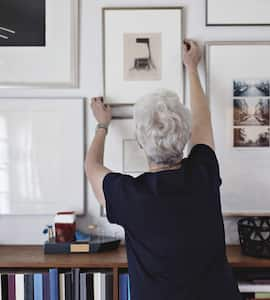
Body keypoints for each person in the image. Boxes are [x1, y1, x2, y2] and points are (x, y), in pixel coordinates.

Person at [85, 40, 241, 300]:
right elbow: (203, 119)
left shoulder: (129, 195)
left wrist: (102, 126)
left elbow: (92, 167)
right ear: (185, 135)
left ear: (140, 143)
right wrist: (192, 68)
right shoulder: (204, 173)